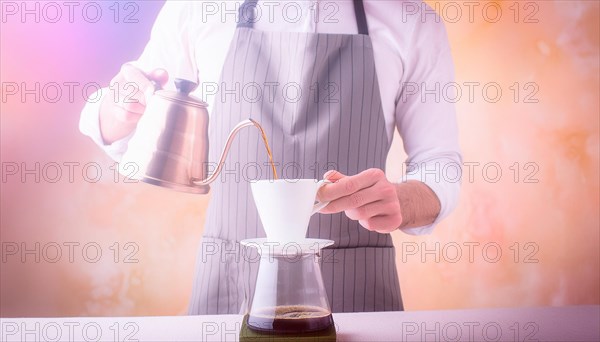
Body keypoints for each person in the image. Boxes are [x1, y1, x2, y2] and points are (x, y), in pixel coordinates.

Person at [80, 0, 461, 314]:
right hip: (228, 296)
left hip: (358, 294)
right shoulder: (197, 10)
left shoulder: (412, 23)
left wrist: (402, 200)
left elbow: (440, 162)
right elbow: (123, 120)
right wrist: (120, 108)